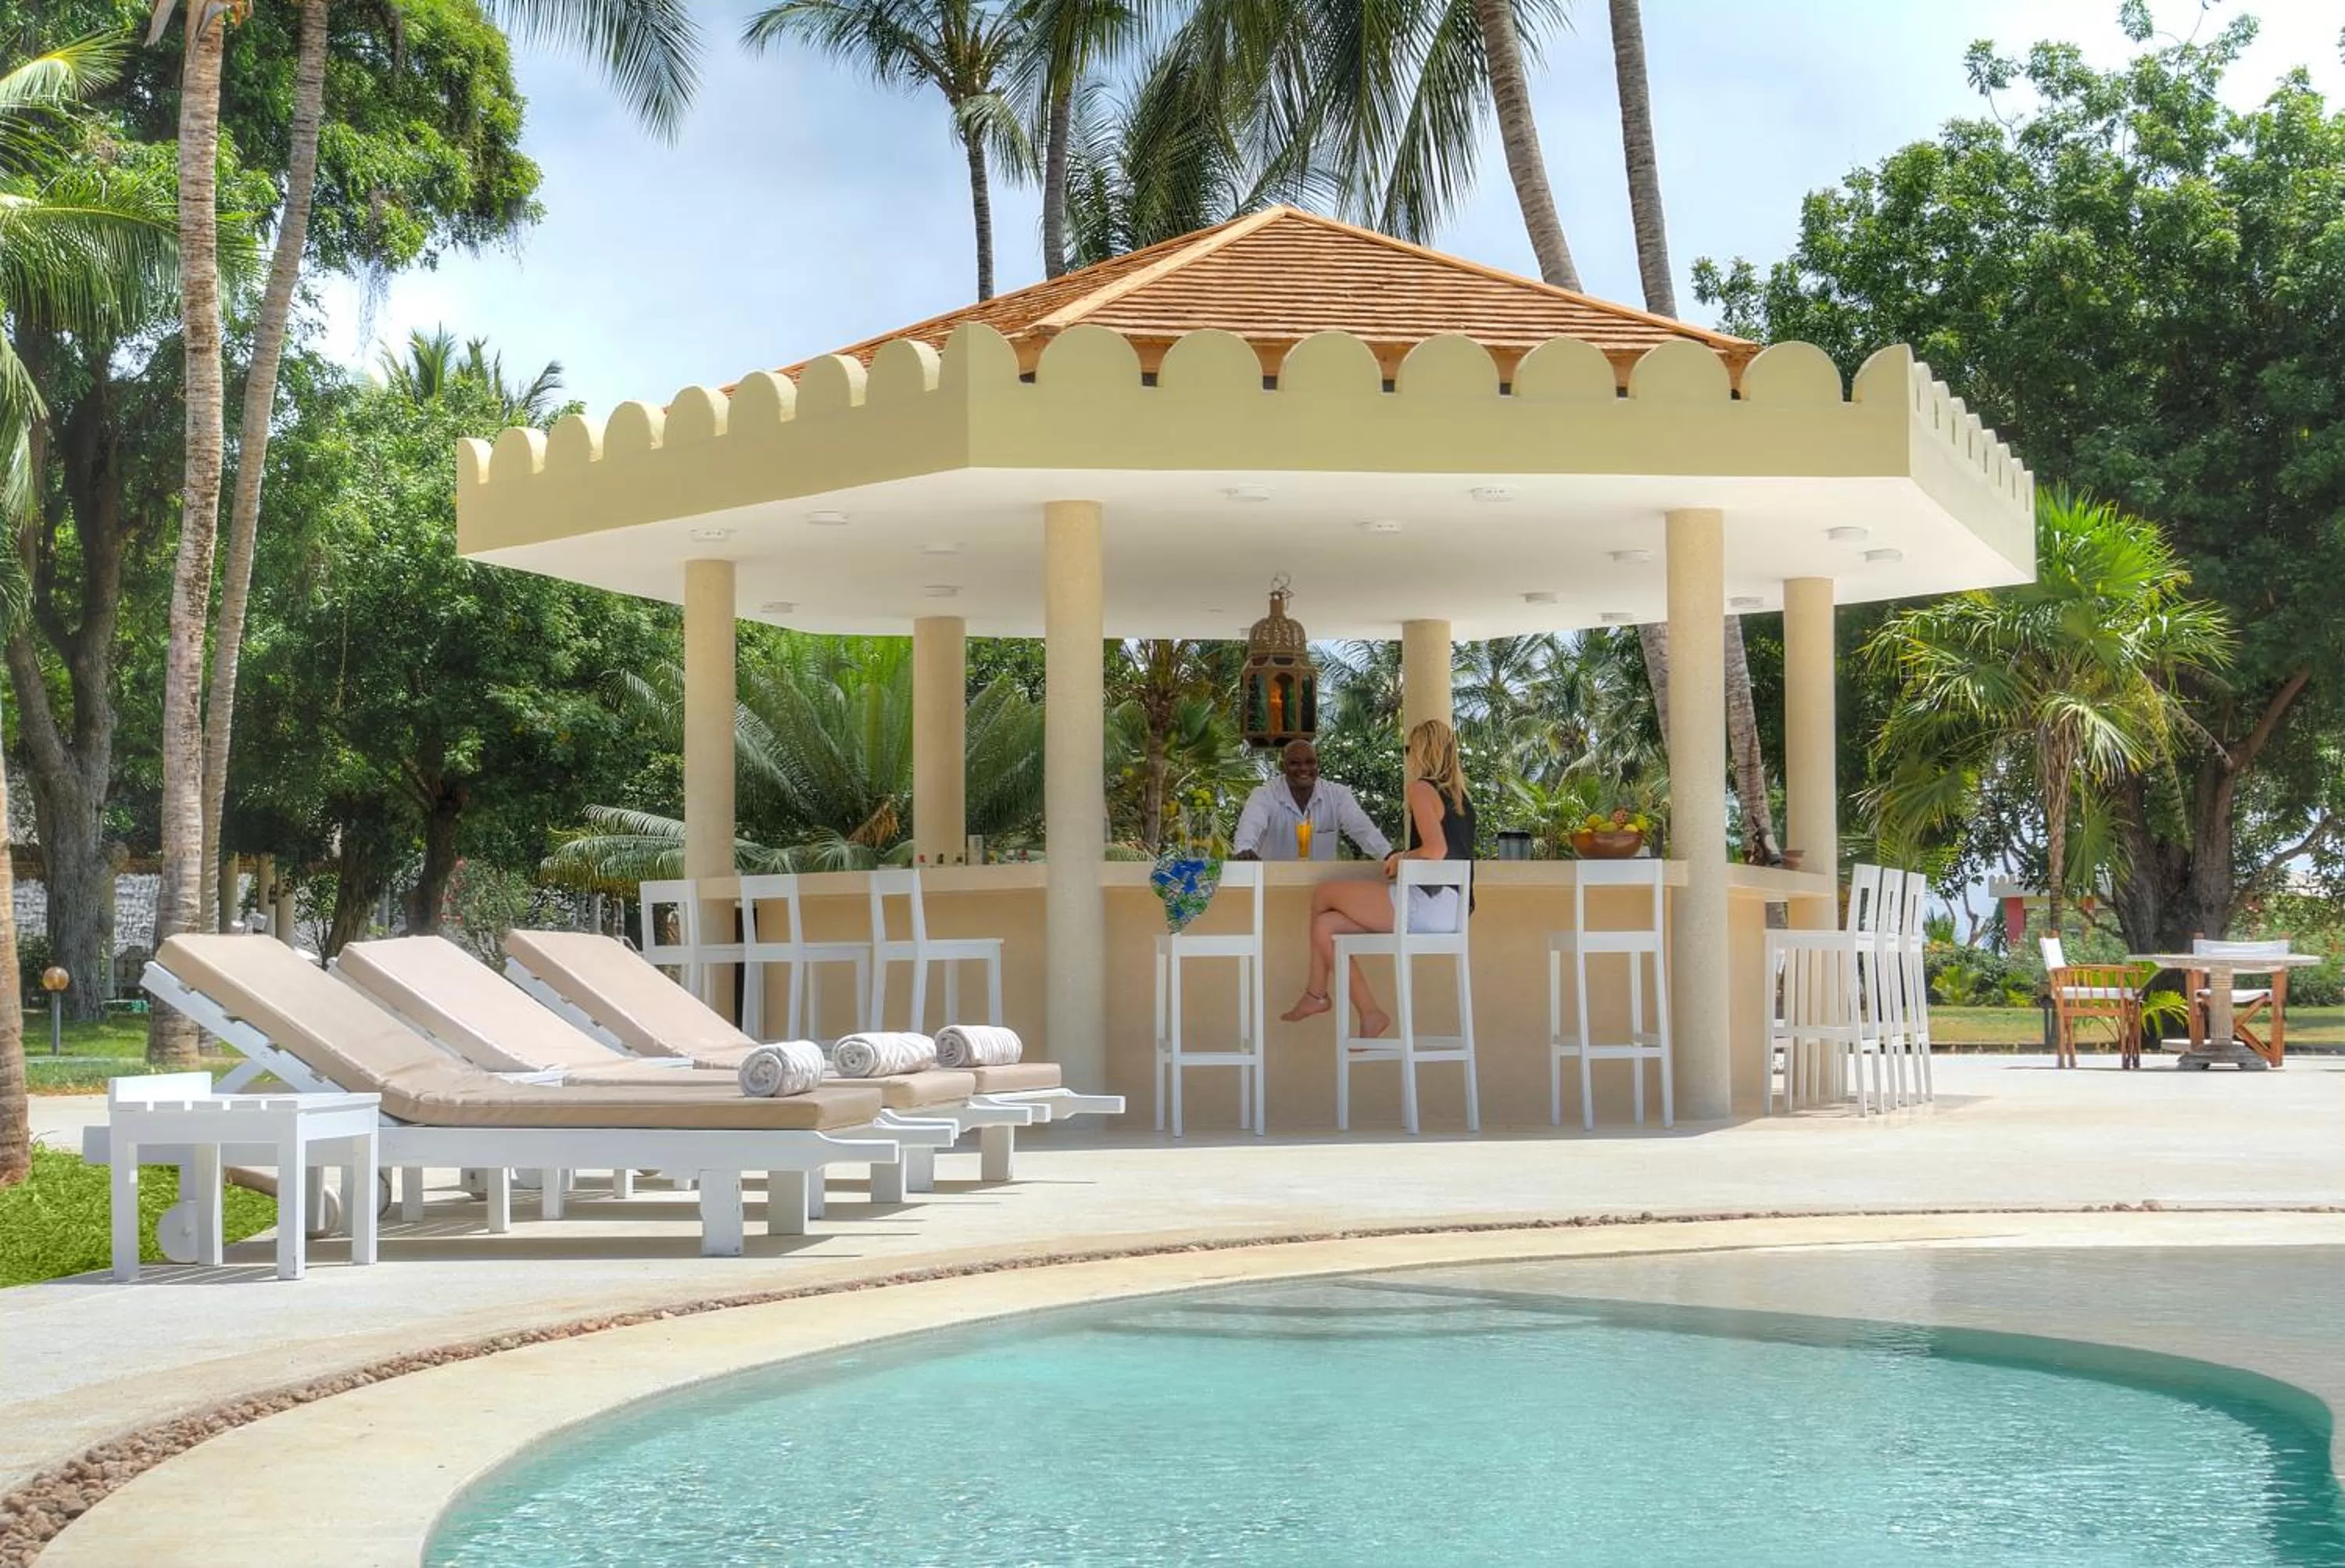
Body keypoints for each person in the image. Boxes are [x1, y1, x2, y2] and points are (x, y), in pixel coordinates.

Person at [1280, 718, 1475, 1036]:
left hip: (1427, 902)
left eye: (1409, 749)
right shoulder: (1460, 796)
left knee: (1324, 893)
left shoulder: (1421, 789)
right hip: (1452, 912)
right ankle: (1370, 1013)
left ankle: (1316, 993)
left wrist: (1401, 857)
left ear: (1422, 750)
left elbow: (1436, 849)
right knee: (1325, 926)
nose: (1408, 756)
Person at [1230, 740, 1392, 862]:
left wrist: (1388, 855)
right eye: (1295, 763)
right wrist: (1245, 851)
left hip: (1321, 887)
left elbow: (1363, 829)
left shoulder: (1338, 795)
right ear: (1283, 767)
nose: (1303, 768)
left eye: (1310, 762)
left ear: (1318, 765)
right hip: (1271, 885)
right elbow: (1249, 829)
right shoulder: (1264, 795)